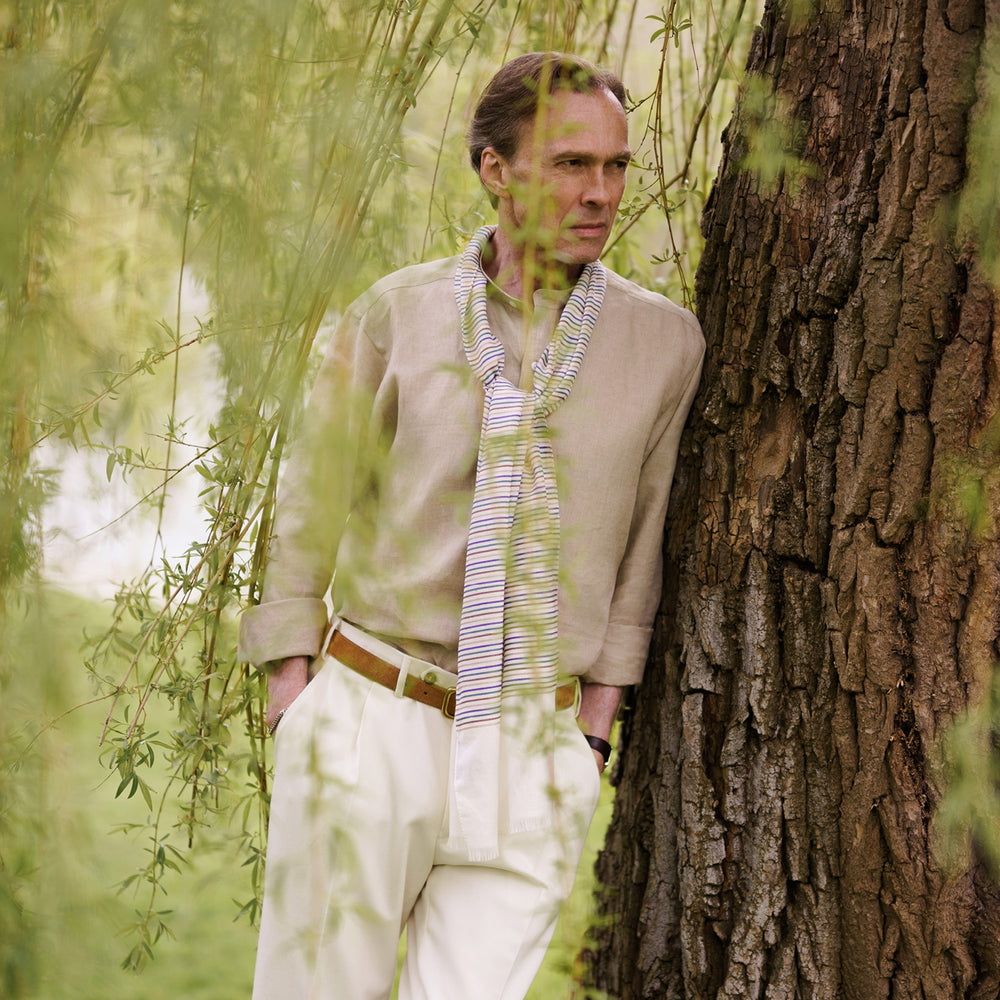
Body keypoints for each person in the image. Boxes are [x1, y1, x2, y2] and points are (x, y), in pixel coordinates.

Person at [238, 51, 704, 1000]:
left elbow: (643, 545)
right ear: (495, 169)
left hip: (536, 744)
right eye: (573, 163)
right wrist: (295, 686)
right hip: (375, 716)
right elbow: (311, 504)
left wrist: (595, 731)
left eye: (616, 167)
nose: (601, 193)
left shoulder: (664, 345)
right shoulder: (395, 316)